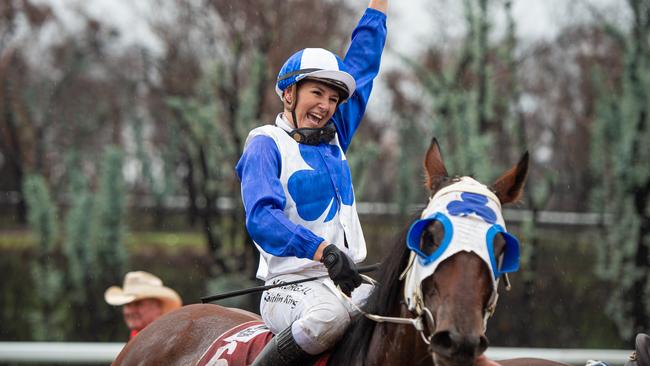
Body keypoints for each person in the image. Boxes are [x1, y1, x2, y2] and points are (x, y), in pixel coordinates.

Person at [104, 271, 182, 340]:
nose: (130, 311)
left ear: (158, 307)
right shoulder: (137, 337)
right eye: (127, 304)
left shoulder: (169, 340)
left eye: (138, 303)